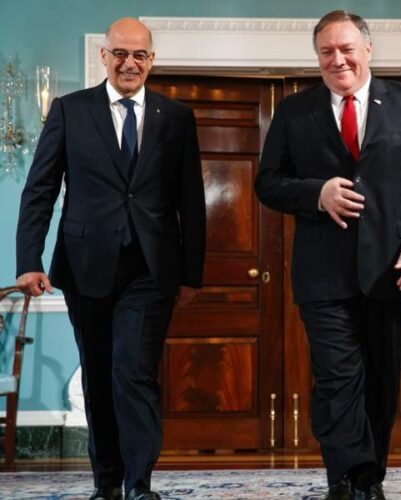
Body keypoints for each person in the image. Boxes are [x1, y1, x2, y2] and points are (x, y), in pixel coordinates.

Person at [255, 10, 401, 500]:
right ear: (317, 57)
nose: (337, 59)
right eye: (326, 51)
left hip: (395, 271)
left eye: (346, 48)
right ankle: (345, 480)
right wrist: (316, 193)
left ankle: (370, 478)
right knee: (336, 378)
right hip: (324, 273)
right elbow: (268, 183)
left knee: (382, 381)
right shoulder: (295, 111)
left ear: (367, 49)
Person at [15, 17, 206, 500]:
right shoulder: (70, 110)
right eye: (120, 53)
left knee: (134, 371)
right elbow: (39, 190)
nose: (129, 63)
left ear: (152, 60)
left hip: (151, 270)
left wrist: (191, 274)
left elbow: (191, 201)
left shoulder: (176, 117)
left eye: (139, 54)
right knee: (99, 375)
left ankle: (139, 484)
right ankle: (106, 484)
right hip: (85, 267)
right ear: (104, 56)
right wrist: (29, 260)